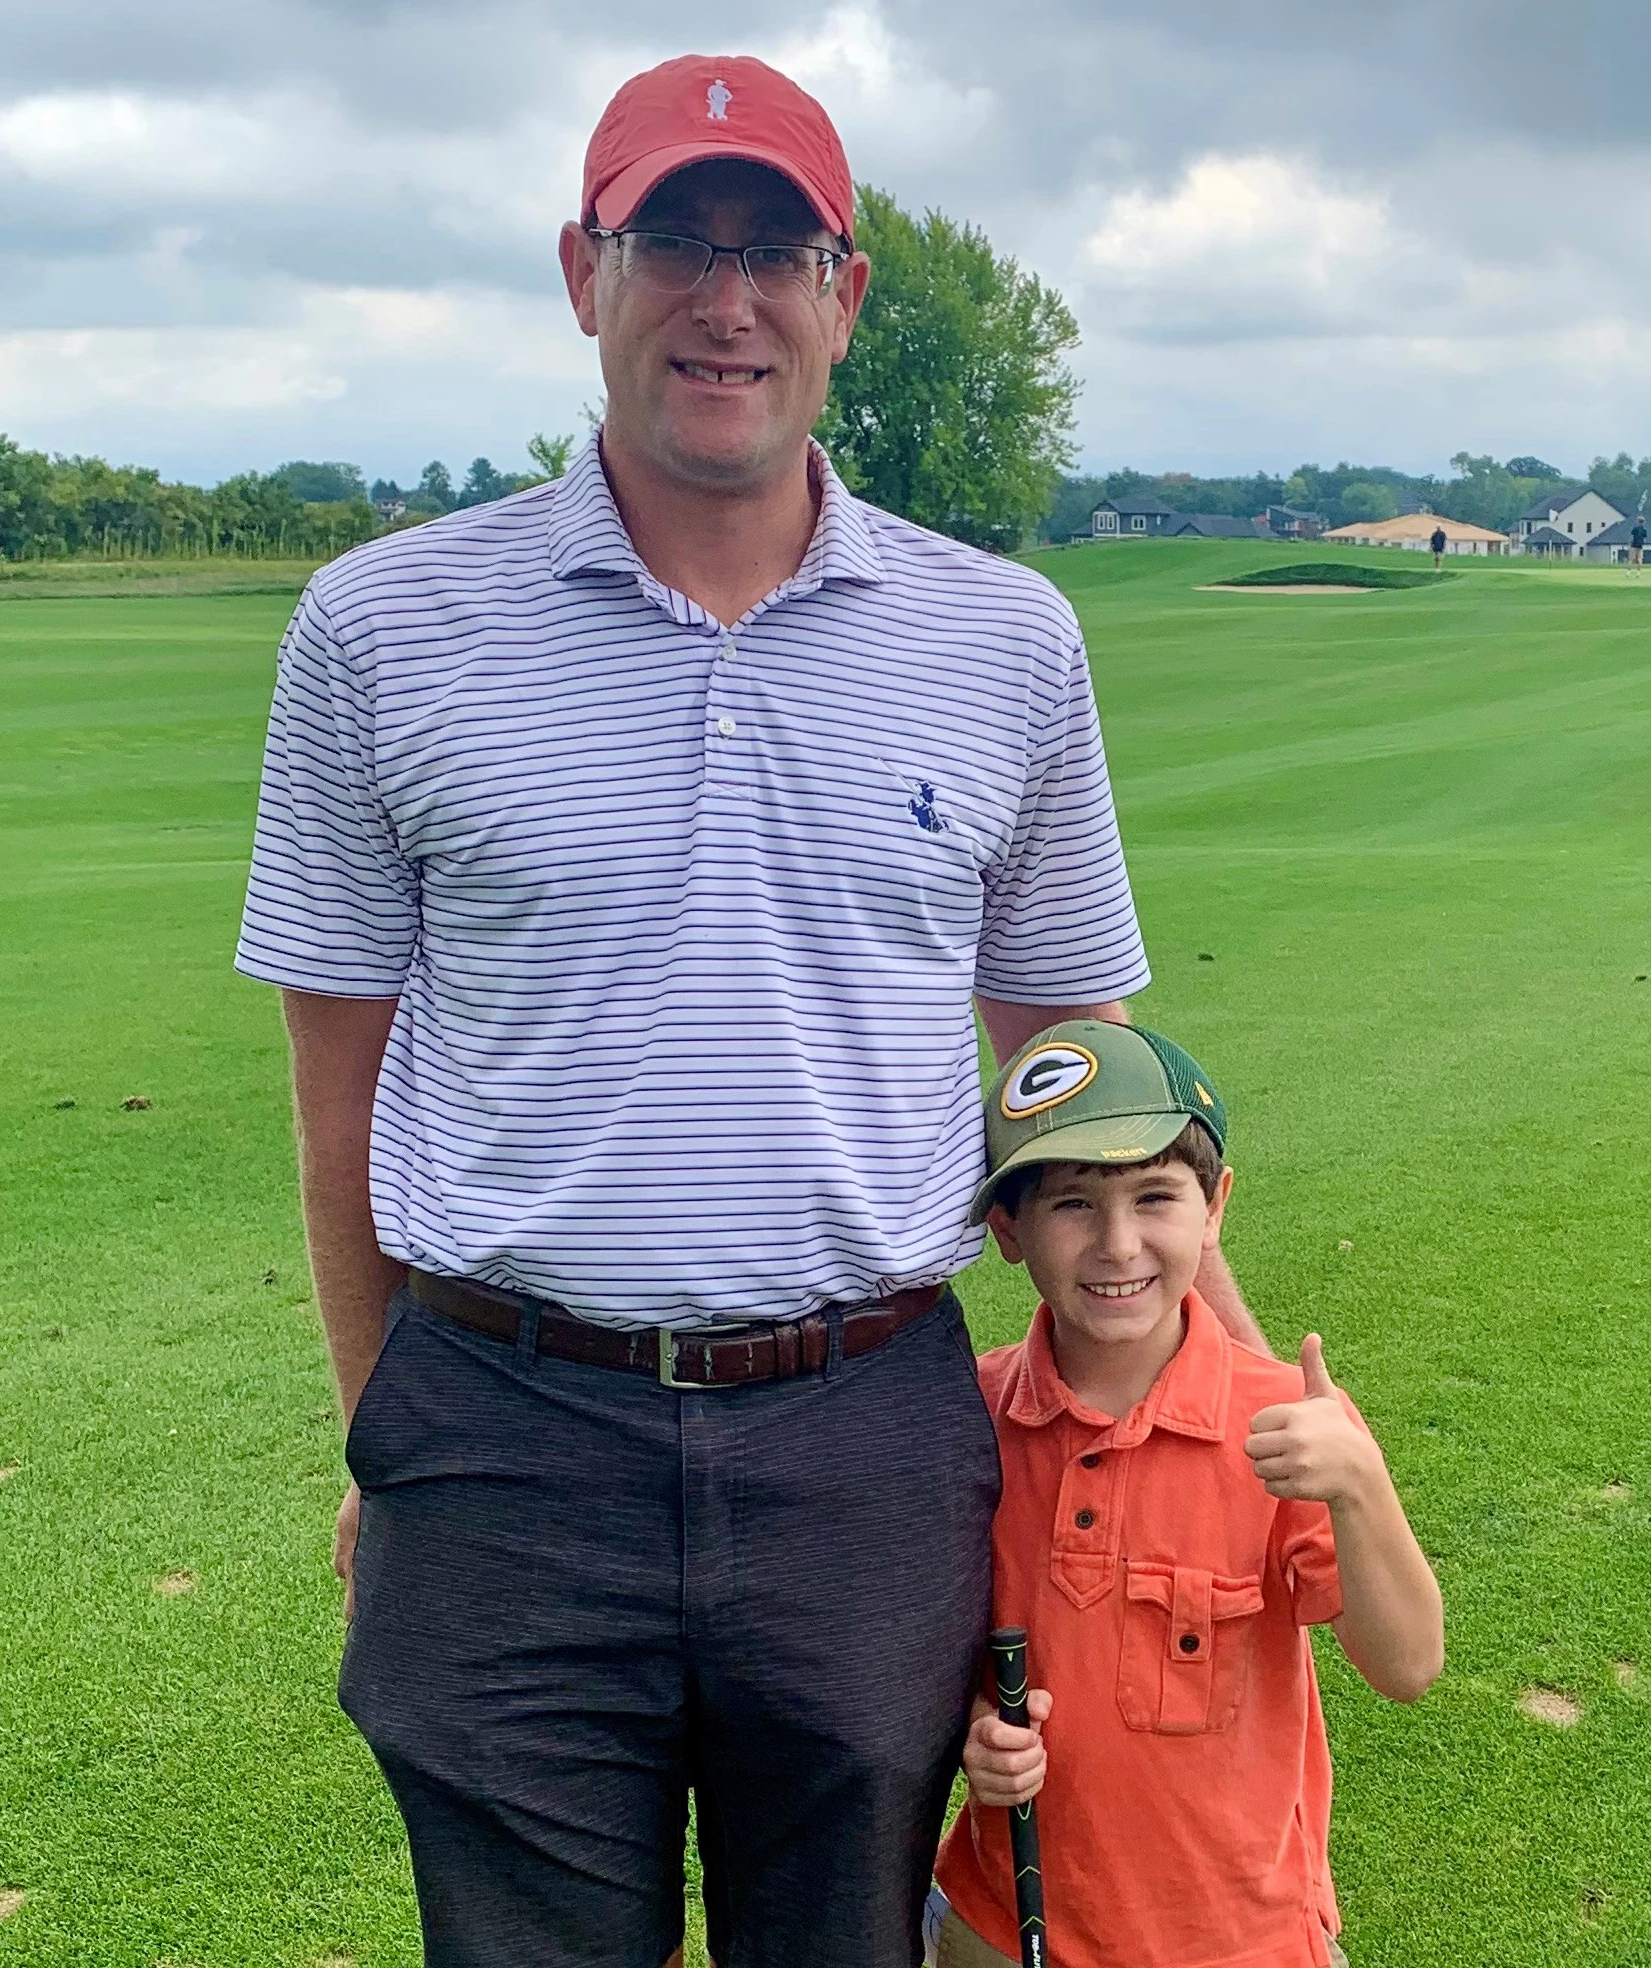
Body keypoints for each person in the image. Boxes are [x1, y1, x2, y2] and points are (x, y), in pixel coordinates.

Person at [236, 53, 1266, 1968]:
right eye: (675, 242)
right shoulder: (377, 629)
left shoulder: (1005, 636)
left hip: (862, 1438)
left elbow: (1082, 1075)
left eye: (777, 249)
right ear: (582, 271)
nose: (729, 299)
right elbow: (337, 1102)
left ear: (844, 292)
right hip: (506, 1425)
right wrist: (397, 1441)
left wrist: (1238, 1405)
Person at [928, 1022, 1445, 1968]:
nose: (1118, 1245)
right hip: (1002, 1931)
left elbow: (1408, 1666)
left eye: (1155, 1197)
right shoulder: (970, 1414)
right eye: (1074, 1204)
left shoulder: (1290, 1422)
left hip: (1242, 1941)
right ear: (1008, 1230)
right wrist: (977, 1733)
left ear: (1214, 1209)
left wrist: (1361, 1489)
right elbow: (939, 1646)